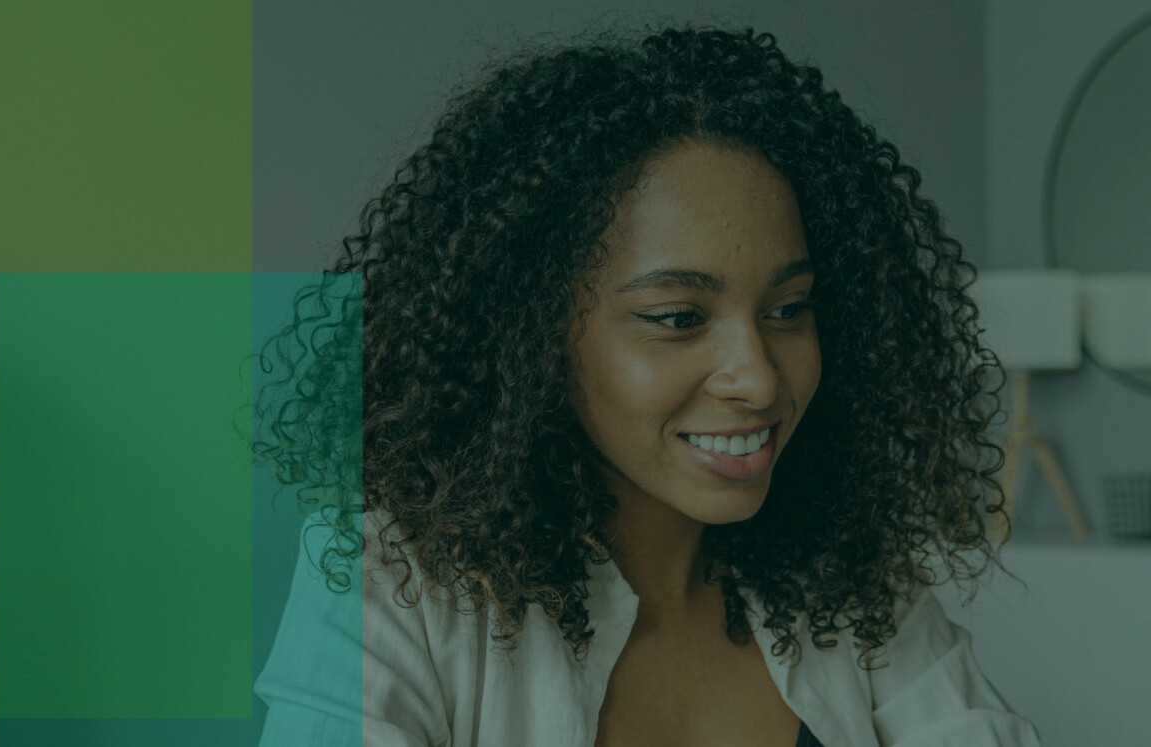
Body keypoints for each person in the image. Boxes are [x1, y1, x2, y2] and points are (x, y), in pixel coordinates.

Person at [252, 25, 1043, 747]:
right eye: (677, 317)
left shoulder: (853, 582)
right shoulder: (390, 579)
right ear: (536, 338)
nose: (758, 377)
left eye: (789, 308)